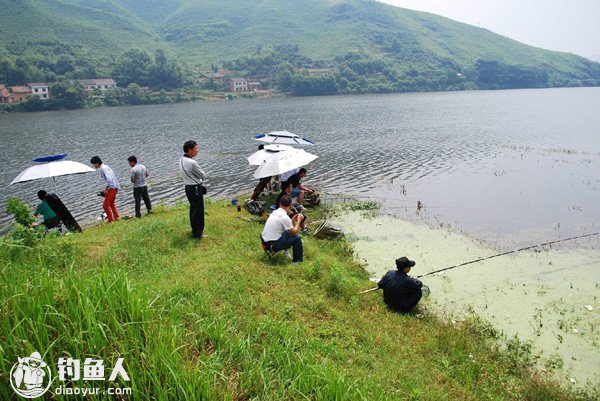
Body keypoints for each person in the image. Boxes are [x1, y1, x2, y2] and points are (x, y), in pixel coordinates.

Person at [261, 195, 303, 263]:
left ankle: (286, 253)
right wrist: (299, 221)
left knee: (287, 232)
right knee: (297, 239)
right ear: (290, 205)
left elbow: (282, 224)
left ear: (280, 203)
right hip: (273, 245)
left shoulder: (275, 212)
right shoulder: (284, 217)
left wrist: (291, 220)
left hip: (265, 242)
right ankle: (297, 262)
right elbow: (294, 232)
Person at [179, 140, 206, 239]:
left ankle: (195, 231)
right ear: (189, 150)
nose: (197, 150)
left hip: (188, 188)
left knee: (193, 210)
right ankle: (198, 234)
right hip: (195, 188)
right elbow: (203, 175)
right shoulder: (192, 162)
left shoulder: (181, 159)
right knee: (198, 212)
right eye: (196, 148)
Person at [90, 156, 121, 222]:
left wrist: (107, 189)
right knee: (111, 203)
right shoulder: (105, 167)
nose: (93, 166)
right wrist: (106, 188)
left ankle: (110, 220)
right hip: (114, 186)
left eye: (93, 164)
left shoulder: (103, 168)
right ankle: (116, 217)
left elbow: (109, 179)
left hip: (112, 187)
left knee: (105, 205)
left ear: (97, 163)